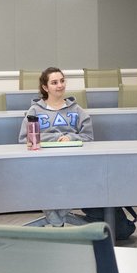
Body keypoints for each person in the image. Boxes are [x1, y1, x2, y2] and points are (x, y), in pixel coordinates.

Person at [23, 67, 94, 227]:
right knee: (42, 181)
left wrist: (71, 137)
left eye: (62, 81)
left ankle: (56, 218)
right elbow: (23, 139)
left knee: (85, 178)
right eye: (54, 82)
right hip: (42, 165)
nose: (60, 85)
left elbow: (89, 137)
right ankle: (57, 219)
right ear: (45, 87)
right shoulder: (34, 111)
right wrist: (55, 138)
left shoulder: (77, 110)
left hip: (74, 164)